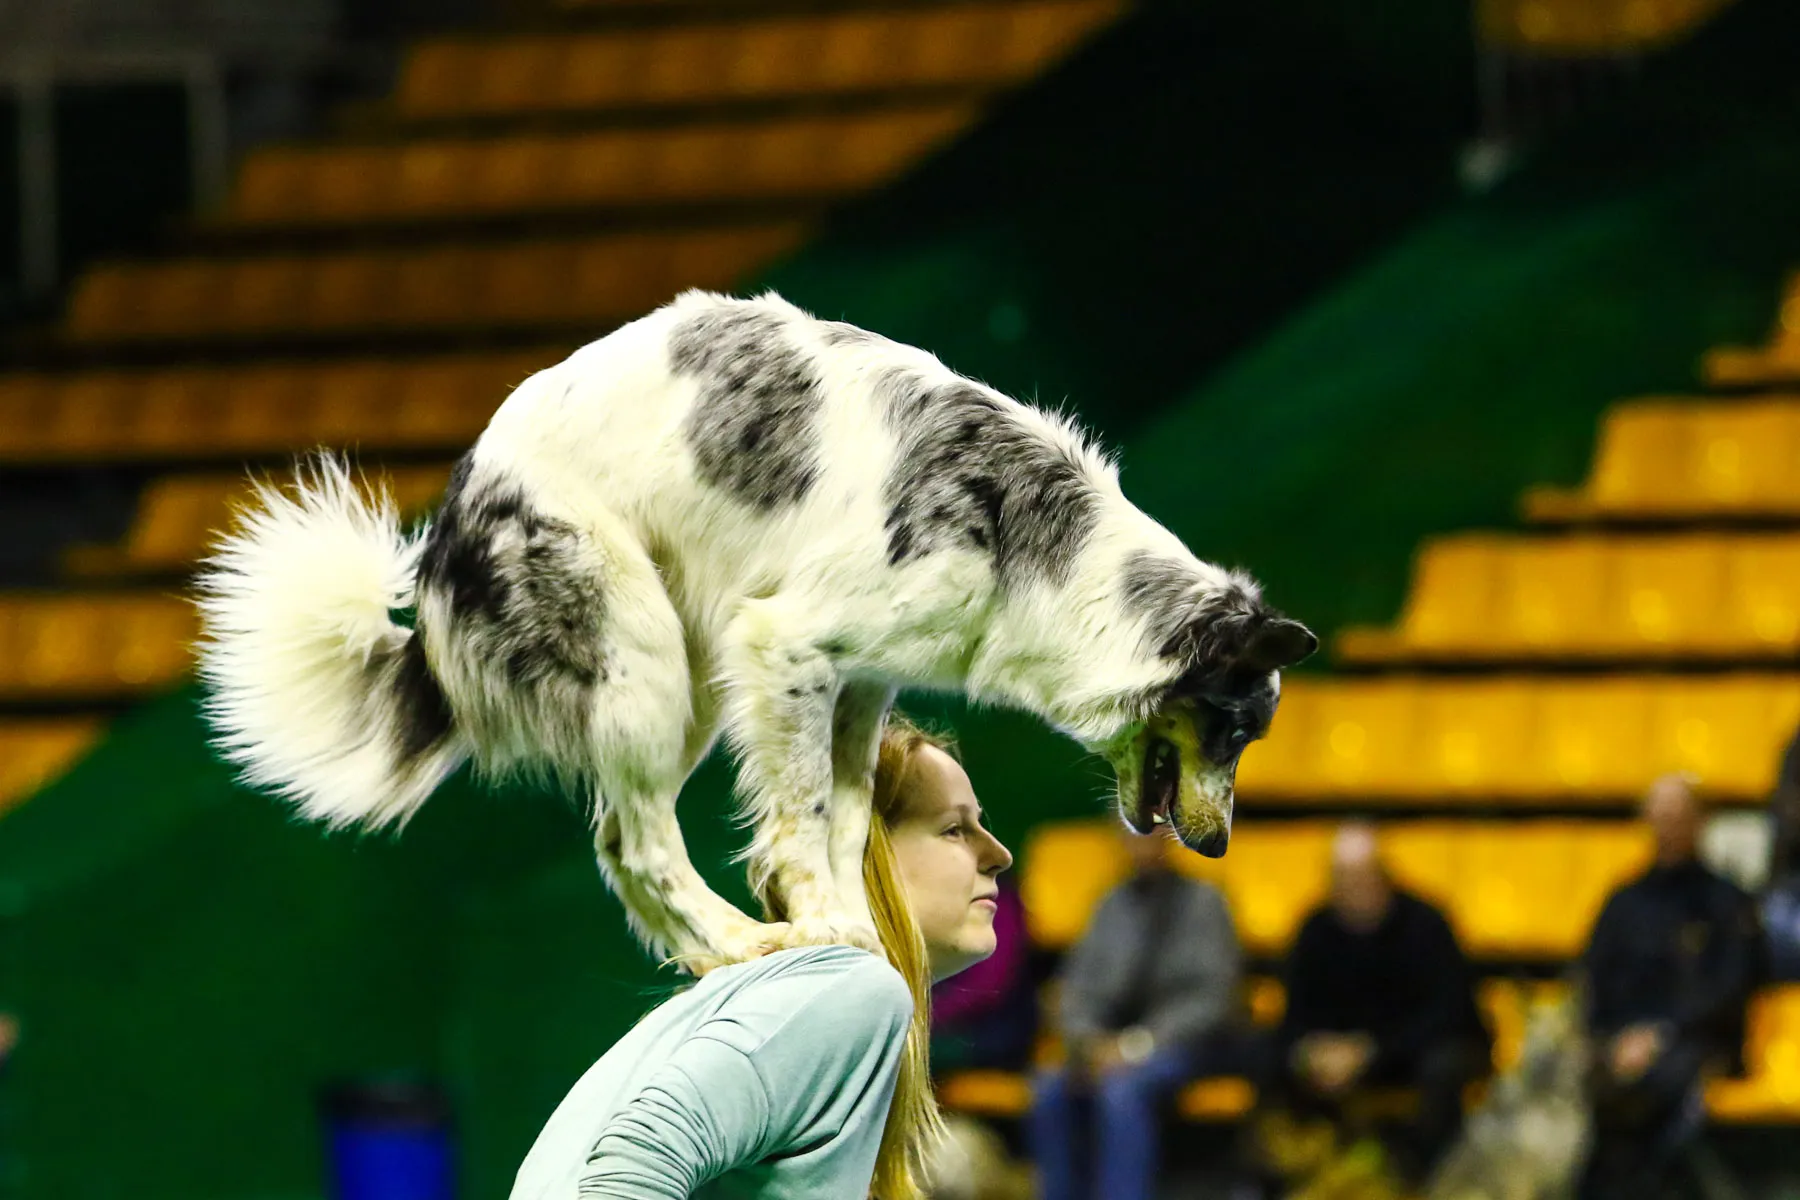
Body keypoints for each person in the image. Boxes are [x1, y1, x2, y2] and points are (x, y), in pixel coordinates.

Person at [510, 716, 1013, 1200]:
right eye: (953, 828)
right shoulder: (855, 990)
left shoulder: (802, 993)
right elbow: (635, 1160)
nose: (998, 853)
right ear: (851, 846)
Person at [1261, 822, 1491, 1189]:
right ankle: (1278, 1181)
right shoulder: (1315, 930)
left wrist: (1370, 1051)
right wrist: (1310, 1052)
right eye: (1342, 878)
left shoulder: (1426, 925)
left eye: (1363, 876)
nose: (1354, 888)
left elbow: (1451, 1014)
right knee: (1261, 1053)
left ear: (1384, 874)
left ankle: (1426, 1182)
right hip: (1335, 1059)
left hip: (1412, 1053)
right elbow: (1293, 1016)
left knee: (1445, 1065)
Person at [1028, 826, 1243, 1200]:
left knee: (1121, 1090)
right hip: (1104, 1045)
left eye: (1148, 833)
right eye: (1130, 834)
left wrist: (1136, 1046)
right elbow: (1076, 989)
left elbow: (1214, 998)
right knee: (1049, 1087)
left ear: (1169, 841)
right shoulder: (1109, 903)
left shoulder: (1204, 902)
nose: (1139, 844)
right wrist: (1088, 1041)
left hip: (1184, 1045)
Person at [1578, 774, 1760, 1200]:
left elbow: (1729, 990)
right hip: (1622, 1044)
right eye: (1659, 816)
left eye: (1678, 816)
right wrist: (1616, 1037)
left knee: (1648, 1094)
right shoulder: (1623, 901)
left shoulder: (1725, 901)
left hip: (1697, 1042)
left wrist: (1660, 1034)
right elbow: (1596, 981)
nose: (1668, 826)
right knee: (1577, 1084)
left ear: (1700, 822)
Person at [929, 876, 1038, 1075]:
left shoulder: (1000, 904)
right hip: (948, 1023)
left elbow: (987, 987)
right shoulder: (942, 898)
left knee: (906, 1050)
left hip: (994, 1030)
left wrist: (928, 1013)